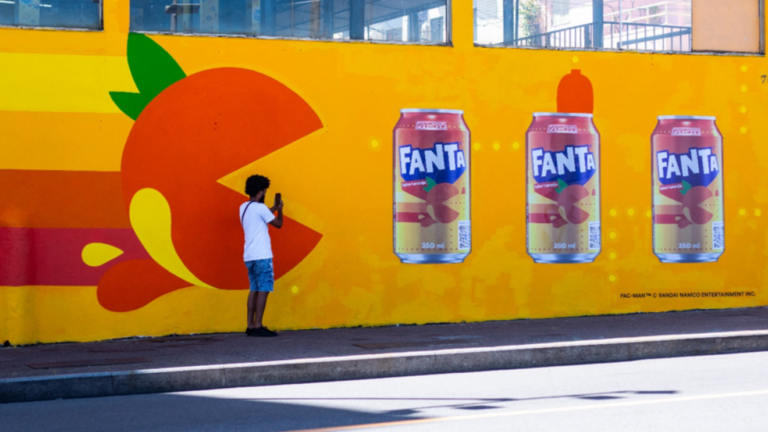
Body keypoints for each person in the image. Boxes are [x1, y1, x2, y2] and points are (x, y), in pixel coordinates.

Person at [240, 174, 283, 337]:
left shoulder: (243, 207)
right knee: (263, 289)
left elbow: (261, 217)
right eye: (264, 191)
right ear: (259, 192)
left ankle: (250, 325)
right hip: (262, 255)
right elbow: (278, 224)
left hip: (249, 256)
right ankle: (259, 325)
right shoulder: (260, 208)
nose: (265, 193)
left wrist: (273, 209)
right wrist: (280, 211)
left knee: (254, 289)